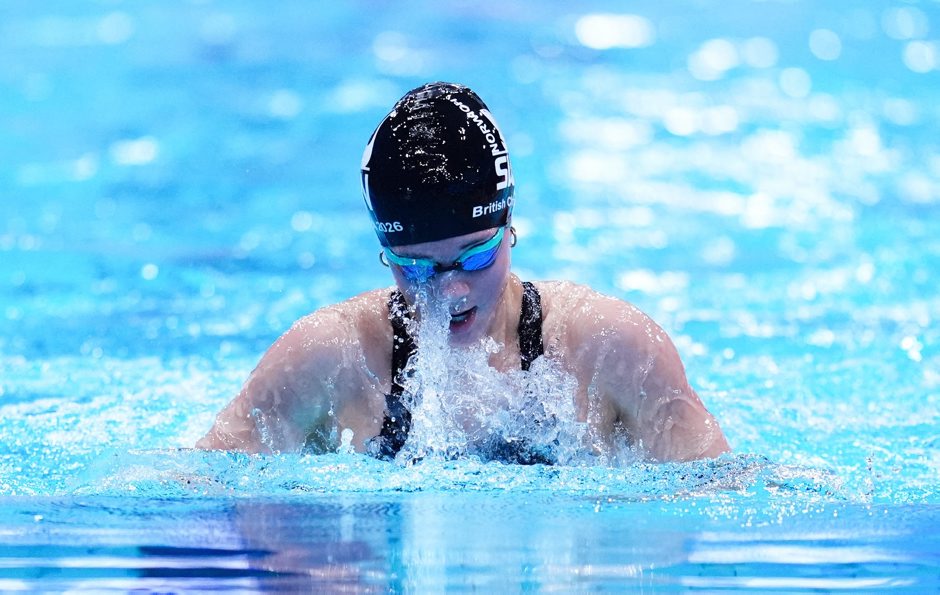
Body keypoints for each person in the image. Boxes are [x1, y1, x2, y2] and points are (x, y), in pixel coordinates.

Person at [197, 82, 729, 463]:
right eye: (416, 268)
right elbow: (200, 485)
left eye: (475, 257)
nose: (450, 289)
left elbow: (720, 490)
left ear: (508, 224)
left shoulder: (610, 348)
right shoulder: (330, 358)